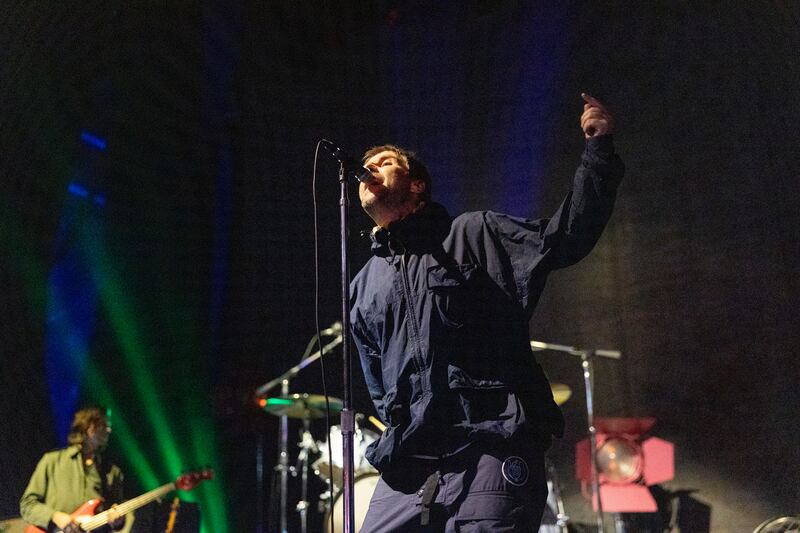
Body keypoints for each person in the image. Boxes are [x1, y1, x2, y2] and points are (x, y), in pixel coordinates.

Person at [349, 93, 624, 531]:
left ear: (417, 185)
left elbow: (563, 238)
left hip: (489, 447)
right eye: (368, 168)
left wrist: (597, 153)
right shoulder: (363, 284)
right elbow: (377, 380)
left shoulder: (473, 234)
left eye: (384, 162)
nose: (370, 171)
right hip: (411, 464)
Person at [20, 406, 126, 532]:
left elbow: (115, 517)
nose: (109, 430)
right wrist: (55, 516)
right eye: (103, 425)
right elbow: (27, 505)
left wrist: (118, 520)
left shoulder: (113, 472)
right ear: (89, 427)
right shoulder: (52, 461)